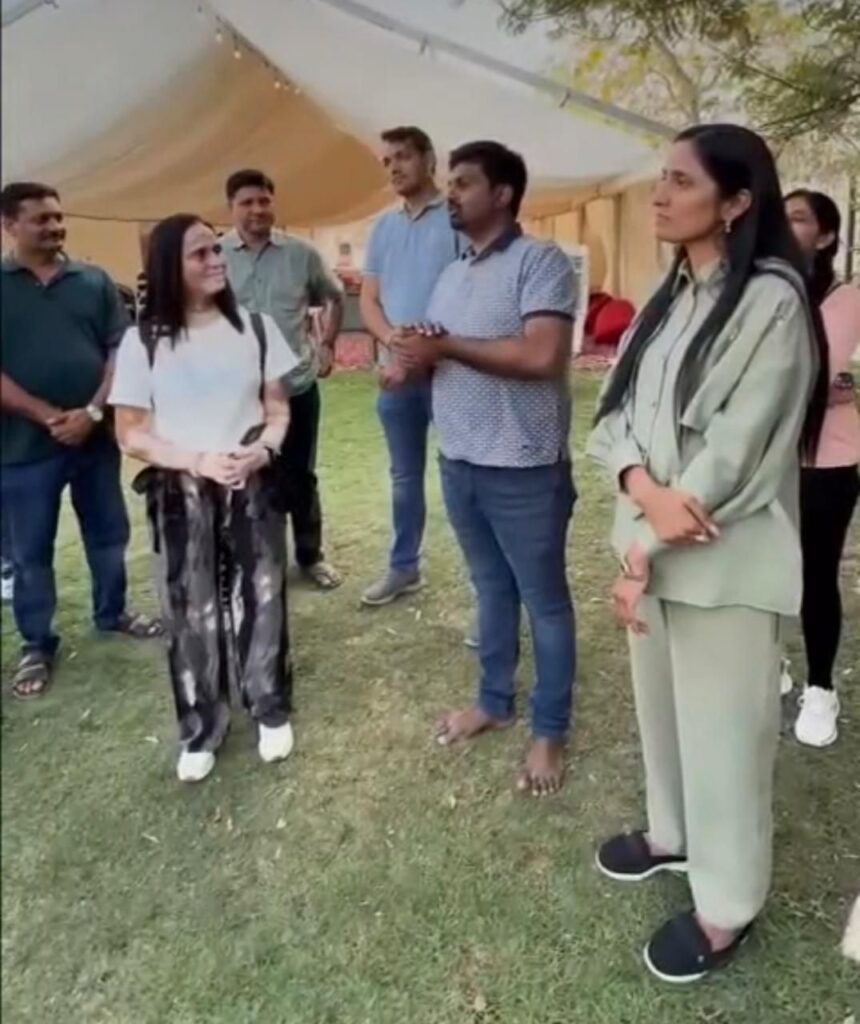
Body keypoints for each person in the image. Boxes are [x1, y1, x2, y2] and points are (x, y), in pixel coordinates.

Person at [587, 124, 829, 983]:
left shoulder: (771, 302)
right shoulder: (666, 298)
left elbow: (734, 455)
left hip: (724, 564)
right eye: (661, 177)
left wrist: (650, 535)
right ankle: (673, 835)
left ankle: (726, 906)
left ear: (736, 203)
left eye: (682, 182)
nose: (659, 194)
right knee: (663, 716)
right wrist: (640, 493)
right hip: (650, 552)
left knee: (725, 741)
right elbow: (613, 416)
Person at [393, 141, 578, 796]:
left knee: (544, 603)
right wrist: (414, 356)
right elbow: (444, 350)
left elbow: (542, 357)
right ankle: (493, 702)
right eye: (451, 183)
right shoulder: (452, 273)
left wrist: (445, 345)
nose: (450, 193)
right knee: (491, 589)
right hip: (460, 459)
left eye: (464, 183)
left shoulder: (541, 262)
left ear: (502, 194)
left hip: (524, 466)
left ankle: (549, 729)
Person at [109, 214, 297, 783]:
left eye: (217, 249)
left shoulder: (257, 328)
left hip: (250, 481)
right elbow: (130, 433)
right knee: (189, 607)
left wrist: (263, 450)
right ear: (170, 266)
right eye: (200, 253)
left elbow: (278, 409)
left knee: (262, 593)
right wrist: (195, 459)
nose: (217, 260)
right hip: (180, 488)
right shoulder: (141, 341)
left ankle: (269, 707)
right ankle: (200, 726)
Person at [0, 182, 162, 700]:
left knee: (108, 532)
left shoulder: (93, 281)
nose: (54, 227)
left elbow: (120, 349)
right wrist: (48, 416)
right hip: (23, 449)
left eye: (57, 217)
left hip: (94, 440)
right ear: (10, 225)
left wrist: (93, 412)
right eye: (41, 219)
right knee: (31, 550)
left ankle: (112, 612)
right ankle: (36, 643)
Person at [221, 169, 344, 591]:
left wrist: (327, 345)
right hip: (239, 395)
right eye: (247, 202)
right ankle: (257, 559)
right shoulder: (215, 256)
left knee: (300, 475)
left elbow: (334, 296)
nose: (257, 209)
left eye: (264, 201)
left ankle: (311, 556)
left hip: (295, 387)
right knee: (246, 477)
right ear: (231, 208)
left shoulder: (302, 254)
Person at [359, 126, 462, 607]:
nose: (394, 167)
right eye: (387, 161)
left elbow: (469, 294)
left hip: (454, 372)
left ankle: (483, 584)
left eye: (402, 156)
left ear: (429, 159)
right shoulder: (383, 228)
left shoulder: (458, 218)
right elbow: (369, 300)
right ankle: (404, 568)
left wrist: (422, 348)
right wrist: (391, 343)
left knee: (464, 475)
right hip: (396, 376)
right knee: (404, 478)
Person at [783, 189, 860, 747]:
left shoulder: (847, 298)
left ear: (828, 236)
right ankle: (771, 665)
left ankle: (820, 687)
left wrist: (844, 387)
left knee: (815, 572)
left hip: (828, 459)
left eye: (799, 218)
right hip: (767, 456)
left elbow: (820, 374)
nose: (785, 226)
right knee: (765, 567)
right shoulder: (766, 289)